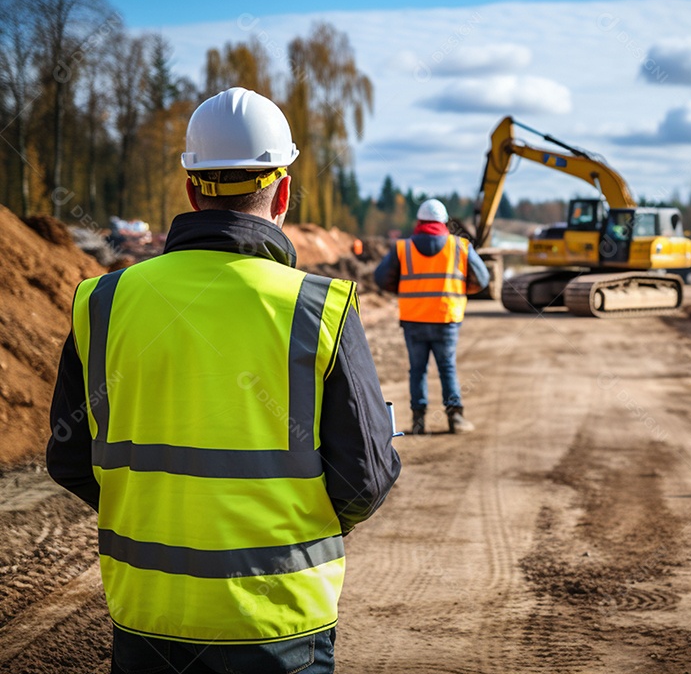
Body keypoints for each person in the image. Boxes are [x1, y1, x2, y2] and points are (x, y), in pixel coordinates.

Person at [47, 87, 400, 674]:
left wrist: (155, 511)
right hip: (280, 623)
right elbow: (362, 480)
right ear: (283, 189)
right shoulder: (318, 308)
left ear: (190, 189)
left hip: (148, 617)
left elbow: (69, 458)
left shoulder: (104, 300)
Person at [374, 199, 489, 435]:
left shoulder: (403, 247)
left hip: (413, 317)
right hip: (446, 317)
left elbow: (381, 278)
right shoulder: (459, 246)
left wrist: (404, 288)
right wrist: (462, 288)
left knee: (417, 370)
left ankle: (418, 422)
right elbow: (483, 278)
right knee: (447, 367)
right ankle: (455, 418)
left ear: (419, 222)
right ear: (444, 222)